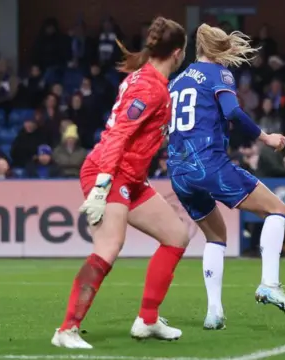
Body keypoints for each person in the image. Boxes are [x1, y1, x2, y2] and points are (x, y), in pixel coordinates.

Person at [51, 16, 189, 349]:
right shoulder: (149, 85)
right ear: (178, 53)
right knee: (109, 247)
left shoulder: (149, 78)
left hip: (132, 175)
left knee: (176, 236)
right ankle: (66, 330)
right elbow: (118, 134)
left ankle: (148, 320)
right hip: (110, 172)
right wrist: (101, 186)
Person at [167, 24, 285, 331]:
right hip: (208, 163)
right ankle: (269, 283)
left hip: (178, 170)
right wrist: (266, 138)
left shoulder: (176, 82)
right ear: (218, 51)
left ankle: (214, 312)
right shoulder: (218, 73)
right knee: (277, 209)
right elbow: (232, 112)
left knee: (215, 236)